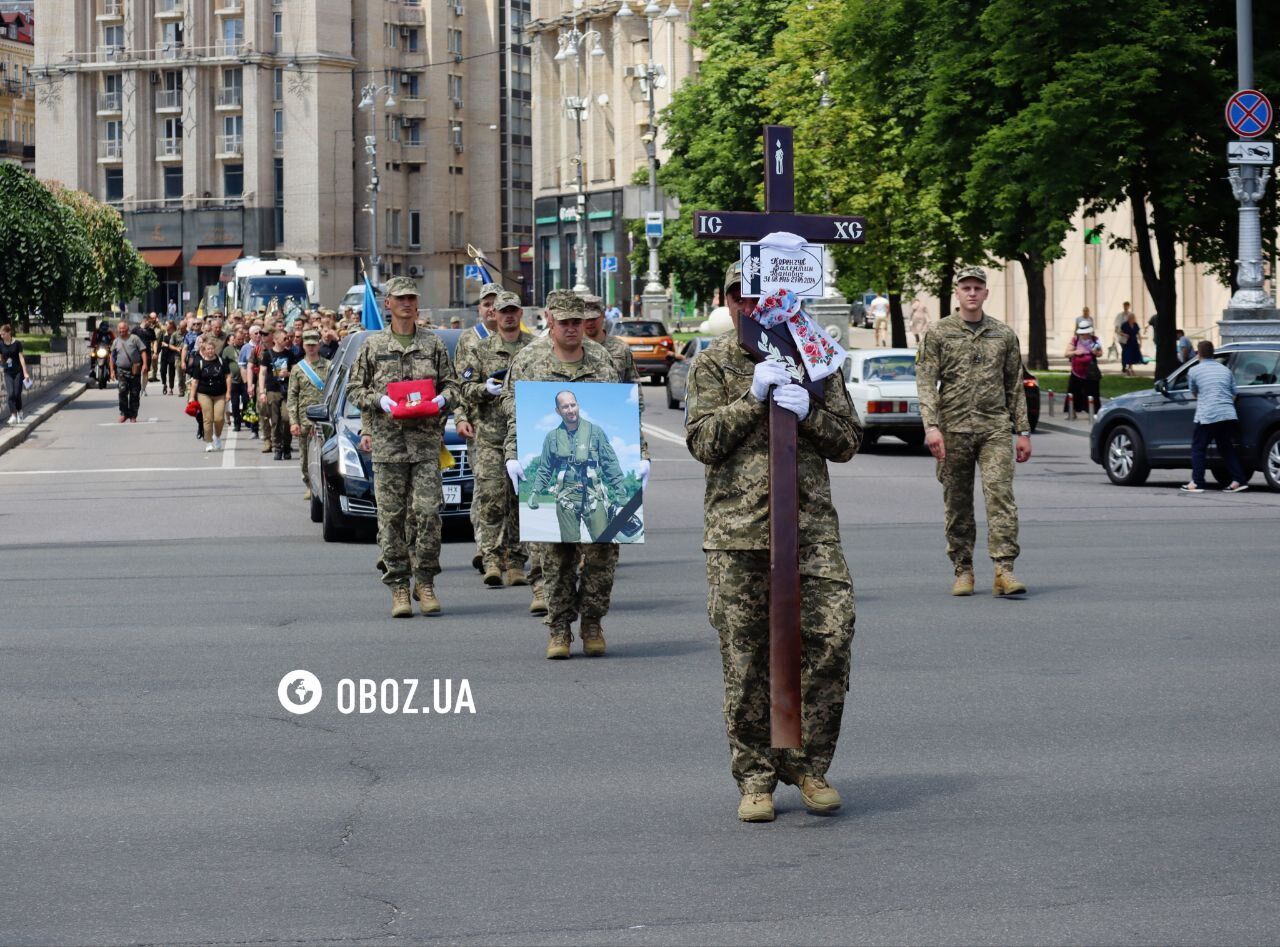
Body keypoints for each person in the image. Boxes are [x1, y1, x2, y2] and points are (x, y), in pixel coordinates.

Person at [685, 261, 860, 823]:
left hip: (810, 531)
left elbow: (849, 440)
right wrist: (750, 399)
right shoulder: (713, 364)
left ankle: (809, 765)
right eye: (740, 297)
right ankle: (756, 775)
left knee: (831, 637)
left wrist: (809, 412)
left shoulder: (816, 357)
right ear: (728, 302)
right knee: (745, 656)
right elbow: (702, 443)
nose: (750, 307)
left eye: (760, 297)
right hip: (739, 535)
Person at [502, 289, 648, 659]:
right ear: (550, 320)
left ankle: (593, 622)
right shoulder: (529, 360)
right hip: (562, 486)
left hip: (596, 485)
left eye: (577, 322)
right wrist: (513, 455)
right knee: (555, 559)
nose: (571, 329)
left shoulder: (603, 360)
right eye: (564, 322)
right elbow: (515, 408)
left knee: (602, 555)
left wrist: (640, 457)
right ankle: (559, 629)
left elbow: (628, 409)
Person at [916, 265, 1032, 597]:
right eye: (965, 287)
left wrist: (1022, 431)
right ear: (957, 292)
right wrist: (932, 427)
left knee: (1001, 497)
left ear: (985, 293)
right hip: (952, 429)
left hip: (993, 428)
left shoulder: (1003, 334)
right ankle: (963, 569)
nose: (971, 293)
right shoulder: (938, 333)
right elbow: (926, 382)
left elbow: (1014, 385)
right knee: (957, 502)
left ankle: (1004, 569)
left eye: (977, 288)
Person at [347, 275, 457, 618]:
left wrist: (441, 400)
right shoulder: (373, 346)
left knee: (427, 514)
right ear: (388, 304)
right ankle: (398, 585)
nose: (407, 304)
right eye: (400, 299)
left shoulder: (433, 344)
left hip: (425, 445)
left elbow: (453, 385)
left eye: (411, 298)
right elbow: (354, 389)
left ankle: (424, 581)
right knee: (391, 518)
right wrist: (379, 401)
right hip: (388, 446)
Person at [454, 291, 538, 596]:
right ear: (495, 315)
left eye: (513, 311)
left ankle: (516, 560)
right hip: (490, 436)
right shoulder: (482, 348)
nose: (508, 316)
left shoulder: (535, 348)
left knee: (520, 500)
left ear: (520, 314)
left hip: (527, 435)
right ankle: (490, 558)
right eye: (503, 311)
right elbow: (463, 388)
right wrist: (484, 389)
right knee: (490, 497)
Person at [527, 389, 629, 543]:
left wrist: (621, 491)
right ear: (558, 411)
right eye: (565, 407)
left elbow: (610, 464)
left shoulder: (595, 432)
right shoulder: (552, 437)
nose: (570, 410)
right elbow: (545, 468)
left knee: (603, 542)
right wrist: (536, 491)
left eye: (573, 405)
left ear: (578, 405)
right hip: (565, 497)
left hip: (593, 495)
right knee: (569, 546)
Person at [454, 281, 503, 572]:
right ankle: (485, 547)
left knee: (509, 491)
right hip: (480, 426)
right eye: (487, 304)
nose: (492, 310)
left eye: (497, 305)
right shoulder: (468, 340)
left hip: (511, 427)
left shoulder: (520, 341)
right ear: (479, 309)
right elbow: (459, 385)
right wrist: (460, 417)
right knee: (486, 490)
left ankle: (507, 549)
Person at [1182, 340, 1248, 494]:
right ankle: (1238, 480)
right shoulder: (1225, 370)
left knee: (1198, 447)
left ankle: (1197, 482)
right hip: (1227, 414)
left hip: (1208, 414)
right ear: (1213, 353)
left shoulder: (1194, 371)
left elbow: (1194, 392)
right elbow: (1234, 393)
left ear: (1198, 354)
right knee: (1226, 447)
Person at [287, 329, 331, 501]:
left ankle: (327, 485)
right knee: (306, 455)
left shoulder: (328, 366)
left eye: (314, 344)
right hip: (305, 419)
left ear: (319, 345)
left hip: (325, 419)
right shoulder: (298, 369)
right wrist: (293, 421)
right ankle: (309, 485)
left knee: (327, 454)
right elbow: (292, 397)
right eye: (308, 345)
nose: (311, 348)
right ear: (303, 346)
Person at [256, 326, 299, 460]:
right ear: (276, 340)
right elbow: (262, 373)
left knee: (286, 419)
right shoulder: (268, 354)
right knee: (275, 420)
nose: (287, 340)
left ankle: (287, 445)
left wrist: (288, 373)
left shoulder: (290, 354)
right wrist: (262, 391)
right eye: (284, 338)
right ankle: (277, 447)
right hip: (272, 390)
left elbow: (296, 373)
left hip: (286, 391)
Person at [187, 333, 231, 451]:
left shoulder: (222, 362)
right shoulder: (199, 363)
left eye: (212, 349)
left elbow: (228, 377)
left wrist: (228, 393)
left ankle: (217, 436)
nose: (210, 351)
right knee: (208, 418)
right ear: (204, 350)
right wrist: (192, 397)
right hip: (204, 393)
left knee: (219, 418)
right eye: (208, 349)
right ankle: (208, 441)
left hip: (220, 393)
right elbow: (195, 381)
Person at [109, 320, 148, 423]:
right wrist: (112, 371)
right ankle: (124, 413)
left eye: (123, 329)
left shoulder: (134, 339)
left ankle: (133, 415)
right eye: (120, 329)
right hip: (121, 371)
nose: (121, 331)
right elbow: (112, 357)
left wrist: (145, 364)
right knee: (122, 392)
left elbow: (143, 351)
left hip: (134, 370)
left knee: (135, 393)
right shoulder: (116, 341)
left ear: (127, 329)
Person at [1065, 318, 1103, 418]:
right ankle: (1072, 413)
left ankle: (1094, 412)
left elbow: (1100, 353)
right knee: (1073, 392)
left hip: (1090, 373)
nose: (1084, 335)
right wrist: (1075, 352)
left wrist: (1096, 352)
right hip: (1077, 372)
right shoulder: (1075, 340)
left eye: (1085, 333)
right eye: (1082, 333)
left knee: (1093, 392)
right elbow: (1066, 353)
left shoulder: (1095, 339)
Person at [1, 323, 32, 424]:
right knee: (11, 394)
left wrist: (25, 372)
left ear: (9, 333)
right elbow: (1, 357)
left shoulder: (17, 344)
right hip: (8, 372)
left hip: (18, 372)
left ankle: (20, 411)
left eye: (3, 334)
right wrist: (2, 363)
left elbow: (21, 358)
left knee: (17, 393)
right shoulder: (0, 344)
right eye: (1, 335)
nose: (2, 336)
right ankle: (13, 415)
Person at [158, 320, 181, 395]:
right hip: (164, 355)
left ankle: (171, 388)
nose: (165, 325)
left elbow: (177, 345)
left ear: (171, 325)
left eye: (166, 324)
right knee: (162, 371)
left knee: (171, 372)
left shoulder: (175, 334)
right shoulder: (163, 334)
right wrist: (156, 353)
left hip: (172, 354)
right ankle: (164, 384)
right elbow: (159, 344)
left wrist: (167, 345)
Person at [1119, 310, 1143, 376]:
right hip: (1127, 342)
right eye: (1131, 317)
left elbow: (1138, 333)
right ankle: (1127, 368)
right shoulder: (1125, 324)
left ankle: (1130, 368)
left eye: (1133, 317)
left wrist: (1140, 342)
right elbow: (1120, 332)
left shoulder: (1135, 324)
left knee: (1133, 356)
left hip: (1134, 342)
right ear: (1129, 318)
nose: (1132, 319)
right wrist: (1125, 334)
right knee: (1127, 355)